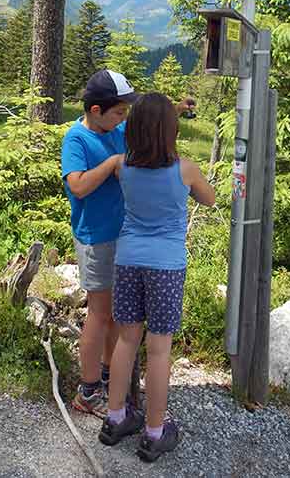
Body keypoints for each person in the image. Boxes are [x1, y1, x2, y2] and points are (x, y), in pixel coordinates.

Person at [61, 70, 194, 416]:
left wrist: (173, 110)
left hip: (126, 240)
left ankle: (109, 380)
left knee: (120, 319)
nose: (124, 119)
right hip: (97, 238)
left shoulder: (115, 129)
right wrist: (110, 164)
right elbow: (76, 186)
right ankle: (88, 391)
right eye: (118, 112)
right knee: (100, 315)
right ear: (94, 110)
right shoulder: (77, 139)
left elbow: (142, 125)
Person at [98, 92, 215, 462]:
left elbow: (139, 139)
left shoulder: (121, 165)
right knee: (159, 349)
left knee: (126, 342)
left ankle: (115, 418)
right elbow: (209, 199)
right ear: (171, 130)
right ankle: (153, 431)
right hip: (166, 265)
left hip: (128, 259)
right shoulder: (185, 169)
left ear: (132, 128)